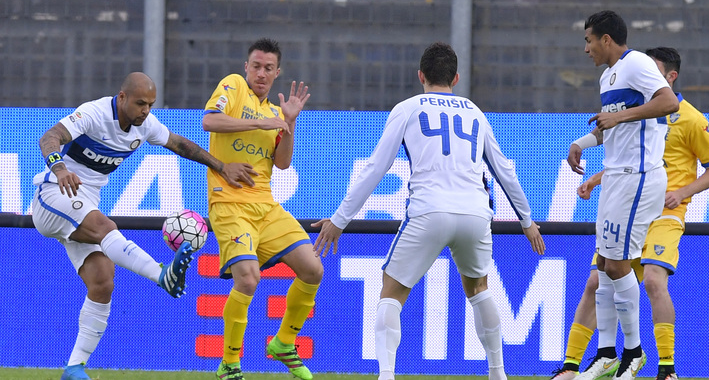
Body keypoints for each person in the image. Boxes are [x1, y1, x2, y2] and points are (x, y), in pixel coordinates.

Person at [312, 41, 546, 380]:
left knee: (391, 289)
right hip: (476, 214)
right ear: (456, 78)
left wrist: (339, 220)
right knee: (479, 288)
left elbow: (377, 167)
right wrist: (527, 221)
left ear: (420, 75)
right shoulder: (474, 112)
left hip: (429, 210)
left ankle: (387, 375)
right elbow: (503, 170)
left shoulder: (407, 108)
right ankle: (498, 373)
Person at [31, 72, 257, 380]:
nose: (146, 110)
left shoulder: (144, 124)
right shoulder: (95, 113)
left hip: (83, 205)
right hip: (54, 193)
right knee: (104, 226)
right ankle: (161, 275)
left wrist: (222, 166)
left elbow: (179, 143)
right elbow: (49, 137)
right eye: (140, 103)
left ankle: (74, 367)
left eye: (150, 104)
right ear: (122, 97)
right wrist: (59, 168)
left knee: (103, 281)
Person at [552, 48, 709, 380]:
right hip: (628, 200)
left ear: (670, 77)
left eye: (653, 73)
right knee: (595, 280)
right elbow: (628, 156)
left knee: (655, 283)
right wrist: (595, 178)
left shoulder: (691, 118)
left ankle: (666, 368)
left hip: (664, 214)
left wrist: (682, 192)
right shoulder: (638, 109)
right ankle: (574, 365)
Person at [566, 11, 680, 380]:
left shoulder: (638, 64)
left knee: (617, 265)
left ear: (607, 40)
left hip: (639, 178)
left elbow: (668, 103)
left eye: (589, 40)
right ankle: (606, 353)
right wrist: (581, 143)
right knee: (602, 267)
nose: (586, 48)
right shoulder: (607, 76)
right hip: (616, 177)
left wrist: (621, 116)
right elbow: (613, 125)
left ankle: (633, 353)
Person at [202, 38, 321, 380]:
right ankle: (229, 363)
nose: (261, 73)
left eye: (268, 68)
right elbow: (210, 122)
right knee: (248, 278)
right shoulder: (233, 86)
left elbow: (282, 164)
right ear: (246, 66)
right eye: (256, 65)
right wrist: (261, 124)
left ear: (277, 73)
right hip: (229, 204)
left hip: (266, 206)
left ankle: (284, 342)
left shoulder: (275, 113)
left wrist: (289, 122)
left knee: (313, 269)